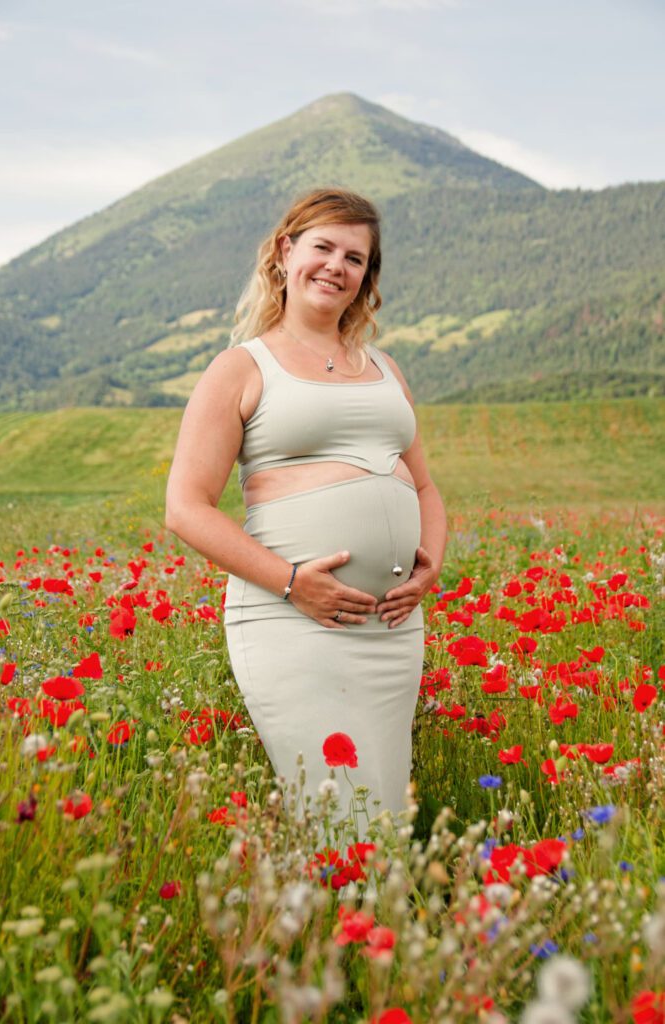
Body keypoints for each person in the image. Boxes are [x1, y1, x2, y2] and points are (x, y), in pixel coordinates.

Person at [165, 187, 447, 838]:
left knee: (384, 820)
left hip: (391, 628)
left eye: (354, 257)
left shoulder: (384, 368)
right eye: (322, 247)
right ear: (286, 252)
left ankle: (374, 936)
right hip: (293, 623)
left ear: (365, 278)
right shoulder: (240, 368)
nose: (335, 266)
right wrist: (294, 583)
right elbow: (185, 508)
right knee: (337, 821)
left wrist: (428, 564)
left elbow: (426, 488)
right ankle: (339, 935)